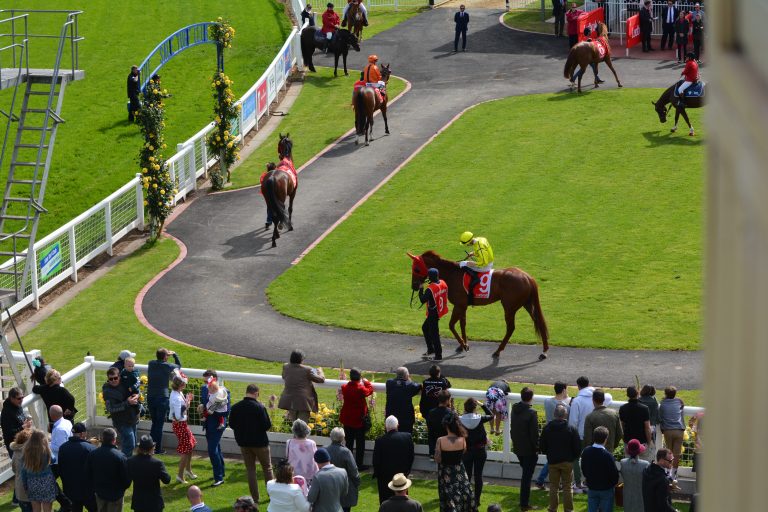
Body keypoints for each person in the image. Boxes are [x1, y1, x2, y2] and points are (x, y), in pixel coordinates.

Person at [229, 383, 274, 501]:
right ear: (256, 393)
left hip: (244, 443)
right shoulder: (259, 407)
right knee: (267, 469)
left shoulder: (236, 407)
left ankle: (255, 498)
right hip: (260, 444)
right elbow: (267, 426)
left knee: (250, 470)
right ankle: (272, 496)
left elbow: (232, 425)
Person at [569, 376, 612, 492]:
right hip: (598, 435)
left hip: (581, 435)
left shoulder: (577, 401)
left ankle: (578, 483)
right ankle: (589, 481)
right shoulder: (596, 396)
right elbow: (609, 397)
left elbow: (573, 421)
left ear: (578, 386)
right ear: (588, 384)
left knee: (576, 458)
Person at [539, 404, 581, 512]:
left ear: (554, 414)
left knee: (553, 486)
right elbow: (577, 447)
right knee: (567, 486)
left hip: (553, 461)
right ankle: (568, 509)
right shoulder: (571, 429)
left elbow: (542, 446)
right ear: (565, 415)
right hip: (567, 461)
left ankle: (553, 508)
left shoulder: (547, 428)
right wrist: (573, 457)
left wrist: (549, 454)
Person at [435, 411, 474, 511]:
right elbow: (463, 452)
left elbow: (437, 459)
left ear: (446, 425)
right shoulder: (462, 440)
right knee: (462, 493)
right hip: (459, 471)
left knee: (448, 496)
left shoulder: (440, 440)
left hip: (445, 473)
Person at [535, 381, 570, 490]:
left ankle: (542, 480)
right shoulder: (565, 406)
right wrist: (566, 398)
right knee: (555, 460)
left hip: (549, 432)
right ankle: (543, 480)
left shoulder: (547, 401)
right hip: (561, 434)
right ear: (564, 390)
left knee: (552, 459)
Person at [85, 428, 131, 512]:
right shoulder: (120, 456)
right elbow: (126, 480)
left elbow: (88, 474)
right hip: (115, 495)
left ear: (102, 439)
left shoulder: (93, 454)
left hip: (99, 493)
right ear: (114, 440)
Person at [372, 416, 415, 504]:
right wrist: (406, 472)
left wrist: (378, 474)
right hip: (401, 476)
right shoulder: (407, 437)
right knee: (403, 501)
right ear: (397, 425)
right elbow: (411, 457)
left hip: (384, 478)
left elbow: (376, 461)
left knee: (385, 503)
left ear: (385, 426)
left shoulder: (380, 441)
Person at [146, 348, 181, 455]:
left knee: (154, 423)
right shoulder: (167, 366)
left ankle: (149, 447)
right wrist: (175, 354)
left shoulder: (151, 363)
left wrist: (166, 355)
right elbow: (179, 366)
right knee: (159, 424)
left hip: (151, 397)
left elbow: (159, 362)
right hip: (162, 398)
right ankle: (157, 449)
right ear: (166, 357)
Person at [458, 397, 492, 507]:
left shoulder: (459, 419)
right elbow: (492, 415)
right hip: (480, 451)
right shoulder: (480, 418)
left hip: (467, 451)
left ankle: (467, 498)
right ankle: (476, 500)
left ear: (465, 408)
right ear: (475, 408)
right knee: (478, 476)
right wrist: (482, 404)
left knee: (467, 475)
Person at [510, 387, 539, 512]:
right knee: (526, 477)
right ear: (531, 397)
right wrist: (537, 448)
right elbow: (534, 434)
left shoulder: (514, 409)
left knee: (526, 475)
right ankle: (524, 504)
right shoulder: (532, 413)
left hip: (518, 447)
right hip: (528, 450)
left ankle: (524, 502)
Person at [57, 422, 97, 512]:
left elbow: (61, 469)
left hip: (70, 490)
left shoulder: (63, 448)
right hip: (88, 491)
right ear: (82, 434)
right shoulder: (90, 449)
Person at [199, 372, 229, 486]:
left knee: (212, 450)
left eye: (207, 381)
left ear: (214, 379)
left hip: (217, 425)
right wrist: (202, 408)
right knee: (216, 448)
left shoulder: (223, 391)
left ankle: (218, 477)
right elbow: (205, 402)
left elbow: (226, 411)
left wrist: (213, 410)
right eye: (204, 382)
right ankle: (221, 472)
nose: (206, 384)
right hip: (208, 424)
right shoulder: (204, 389)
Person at [279, 349, 326, 422]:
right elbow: (321, 379)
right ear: (301, 359)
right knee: (301, 428)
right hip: (303, 403)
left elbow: (284, 376)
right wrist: (320, 371)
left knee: (295, 426)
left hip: (290, 401)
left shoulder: (286, 366)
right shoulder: (307, 369)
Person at [103, 366, 140, 458]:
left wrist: (137, 395)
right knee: (130, 444)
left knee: (132, 443)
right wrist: (127, 402)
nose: (113, 380)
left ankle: (125, 463)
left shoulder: (125, 383)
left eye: (115, 378)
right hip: (121, 422)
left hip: (132, 418)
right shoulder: (108, 391)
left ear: (119, 376)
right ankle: (124, 464)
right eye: (110, 379)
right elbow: (110, 408)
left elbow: (135, 389)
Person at [127, 435, 171, 512]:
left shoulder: (130, 461)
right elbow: (167, 480)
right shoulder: (157, 463)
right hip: (154, 503)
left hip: (138, 502)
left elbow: (126, 480)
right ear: (151, 448)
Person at [340, 367, 374, 467]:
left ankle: (348, 464)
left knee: (349, 443)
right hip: (358, 420)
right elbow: (369, 390)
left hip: (347, 419)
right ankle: (359, 464)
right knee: (360, 444)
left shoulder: (344, 387)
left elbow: (347, 386)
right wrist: (367, 382)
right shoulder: (360, 389)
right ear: (359, 377)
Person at [580, 426, 619, 512]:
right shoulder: (608, 456)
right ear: (606, 439)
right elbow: (614, 474)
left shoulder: (586, 452)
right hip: (606, 489)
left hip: (592, 486)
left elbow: (583, 468)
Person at [20, 429, 57, 512]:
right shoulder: (46, 450)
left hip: (32, 482)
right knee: (47, 509)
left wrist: (25, 485)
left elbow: (23, 471)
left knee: (36, 509)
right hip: (46, 482)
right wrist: (48, 448)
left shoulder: (26, 451)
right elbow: (54, 460)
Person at [169, 370, 197, 484]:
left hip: (181, 424)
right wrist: (187, 404)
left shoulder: (177, 393)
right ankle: (180, 475)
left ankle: (188, 470)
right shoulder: (176, 397)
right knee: (186, 450)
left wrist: (187, 401)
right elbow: (179, 415)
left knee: (191, 445)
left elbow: (181, 410)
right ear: (181, 384)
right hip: (180, 425)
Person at [326, 427, 361, 512]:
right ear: (343, 438)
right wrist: (357, 483)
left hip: (328, 486)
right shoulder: (346, 452)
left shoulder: (325, 450)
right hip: (344, 488)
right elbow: (353, 471)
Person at [418, 268, 449, 360]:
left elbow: (422, 300)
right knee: (425, 328)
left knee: (434, 334)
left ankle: (438, 355)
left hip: (433, 313)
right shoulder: (443, 282)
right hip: (439, 310)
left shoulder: (430, 289)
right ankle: (431, 349)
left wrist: (421, 289)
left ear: (430, 277)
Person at [307, 448, 348, 512]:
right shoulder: (343, 472)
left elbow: (311, 498)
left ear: (317, 462)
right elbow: (344, 493)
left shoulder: (318, 476)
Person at [458, 231, 494, 305]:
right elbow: (483, 251)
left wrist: (469, 263)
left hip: (485, 266)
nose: (466, 246)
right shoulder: (480, 239)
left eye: (466, 244)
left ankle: (475, 278)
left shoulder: (479, 246)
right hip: (488, 260)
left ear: (469, 242)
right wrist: (473, 253)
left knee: (463, 264)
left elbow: (484, 262)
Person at [658, 386, 685, 480]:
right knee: (676, 454)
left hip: (668, 431)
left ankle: (668, 474)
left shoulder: (663, 403)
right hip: (679, 430)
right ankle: (674, 475)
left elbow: (660, 417)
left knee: (669, 453)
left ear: (665, 394)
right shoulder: (679, 402)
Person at [619, 386, 653, 462]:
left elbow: (622, 426)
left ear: (627, 395)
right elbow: (647, 427)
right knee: (644, 465)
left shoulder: (622, 408)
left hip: (628, 441)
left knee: (629, 463)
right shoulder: (644, 408)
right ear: (637, 394)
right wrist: (649, 442)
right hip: (642, 441)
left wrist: (624, 439)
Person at [385, 367, 421, 434]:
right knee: (405, 439)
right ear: (407, 375)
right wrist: (408, 380)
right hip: (406, 420)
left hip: (391, 419)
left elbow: (395, 383)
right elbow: (418, 385)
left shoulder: (389, 383)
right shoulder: (410, 385)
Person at [619, 439, 650, 512]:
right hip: (641, 495)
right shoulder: (646, 464)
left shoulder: (622, 463)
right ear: (639, 451)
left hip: (627, 495)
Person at [287, 419, 319, 485]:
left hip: (293, 473)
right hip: (309, 473)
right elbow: (316, 458)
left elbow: (287, 456)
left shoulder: (289, 442)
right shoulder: (311, 443)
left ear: (294, 430)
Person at [2, 386, 30, 457]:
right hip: (14, 445)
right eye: (19, 398)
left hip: (23, 442)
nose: (21, 400)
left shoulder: (18, 405)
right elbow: (8, 433)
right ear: (12, 398)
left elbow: (20, 420)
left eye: (22, 397)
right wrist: (23, 427)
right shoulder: (6, 412)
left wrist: (26, 423)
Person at [11, 429, 33, 512]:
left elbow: (14, 469)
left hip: (20, 489)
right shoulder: (30, 452)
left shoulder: (15, 452)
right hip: (31, 488)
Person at [427, 390, 452, 457]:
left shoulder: (431, 412)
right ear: (447, 400)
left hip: (434, 446)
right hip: (447, 446)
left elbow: (430, 430)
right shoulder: (450, 413)